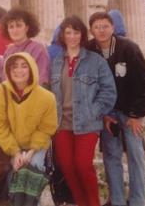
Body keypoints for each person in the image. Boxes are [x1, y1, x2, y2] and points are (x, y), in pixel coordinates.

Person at [87, 11, 145, 206]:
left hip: (130, 111)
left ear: (113, 28)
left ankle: (138, 201)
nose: (101, 30)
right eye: (97, 27)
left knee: (136, 155)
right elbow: (90, 86)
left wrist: (136, 115)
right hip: (108, 114)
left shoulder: (129, 49)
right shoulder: (90, 50)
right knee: (111, 156)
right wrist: (104, 114)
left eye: (105, 26)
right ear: (91, 30)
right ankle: (116, 200)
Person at [50, 15, 117, 206]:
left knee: (82, 165)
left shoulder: (95, 61)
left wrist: (93, 111)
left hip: (86, 122)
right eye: (68, 32)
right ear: (62, 35)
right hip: (62, 123)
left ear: (82, 35)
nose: (72, 36)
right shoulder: (56, 62)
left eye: (76, 32)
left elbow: (109, 91)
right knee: (68, 168)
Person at [0, 52, 58, 203]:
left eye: (24, 66)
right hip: (9, 145)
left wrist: (31, 151)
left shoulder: (47, 97)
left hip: (36, 146)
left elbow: (47, 128)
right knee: (16, 172)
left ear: (32, 69)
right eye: (14, 67)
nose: (19, 70)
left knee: (34, 168)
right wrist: (15, 152)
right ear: (8, 70)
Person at [2, 8, 51, 86]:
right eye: (11, 27)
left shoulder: (38, 49)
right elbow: (4, 78)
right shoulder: (8, 51)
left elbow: (42, 79)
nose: (15, 30)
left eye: (19, 26)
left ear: (27, 28)